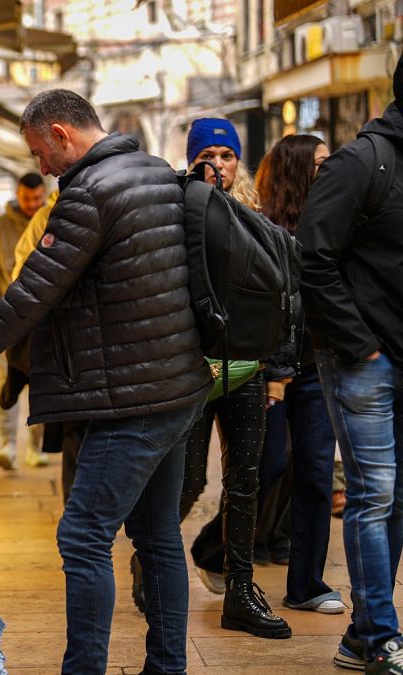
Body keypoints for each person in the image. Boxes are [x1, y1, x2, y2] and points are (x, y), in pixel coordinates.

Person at [0, 89, 211, 675]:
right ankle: (167, 667)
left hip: (131, 397)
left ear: (61, 133)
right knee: (156, 539)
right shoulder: (155, 173)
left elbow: (30, 293)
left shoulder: (89, 194)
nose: (41, 166)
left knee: (83, 535)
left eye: (38, 151)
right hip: (177, 384)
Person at [297, 54, 403, 674]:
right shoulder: (362, 161)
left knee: (397, 497)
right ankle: (382, 635)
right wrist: (360, 343)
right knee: (374, 493)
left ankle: (364, 634)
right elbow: (313, 259)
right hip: (366, 362)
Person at [172, 117, 291, 639]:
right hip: (195, 371)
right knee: (191, 480)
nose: (219, 164)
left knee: (246, 481)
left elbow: (280, 294)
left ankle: (241, 589)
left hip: (244, 368)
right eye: (208, 156)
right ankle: (151, 562)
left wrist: (275, 373)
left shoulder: (255, 214)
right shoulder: (180, 207)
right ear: (194, 160)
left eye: (227, 155)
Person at [252, 134, 346, 616]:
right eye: (322, 163)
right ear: (296, 170)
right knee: (263, 469)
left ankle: (305, 584)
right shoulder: (265, 228)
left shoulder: (333, 219)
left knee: (313, 473)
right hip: (268, 371)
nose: (330, 170)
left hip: (316, 368)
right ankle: (224, 557)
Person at [0, 172, 47, 470]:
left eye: (37, 199)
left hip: (39, 323)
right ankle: (8, 446)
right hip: (5, 322)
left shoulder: (50, 220)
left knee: (40, 387)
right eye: (27, 199)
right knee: (5, 384)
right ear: (17, 194)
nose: (32, 204)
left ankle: (35, 448)